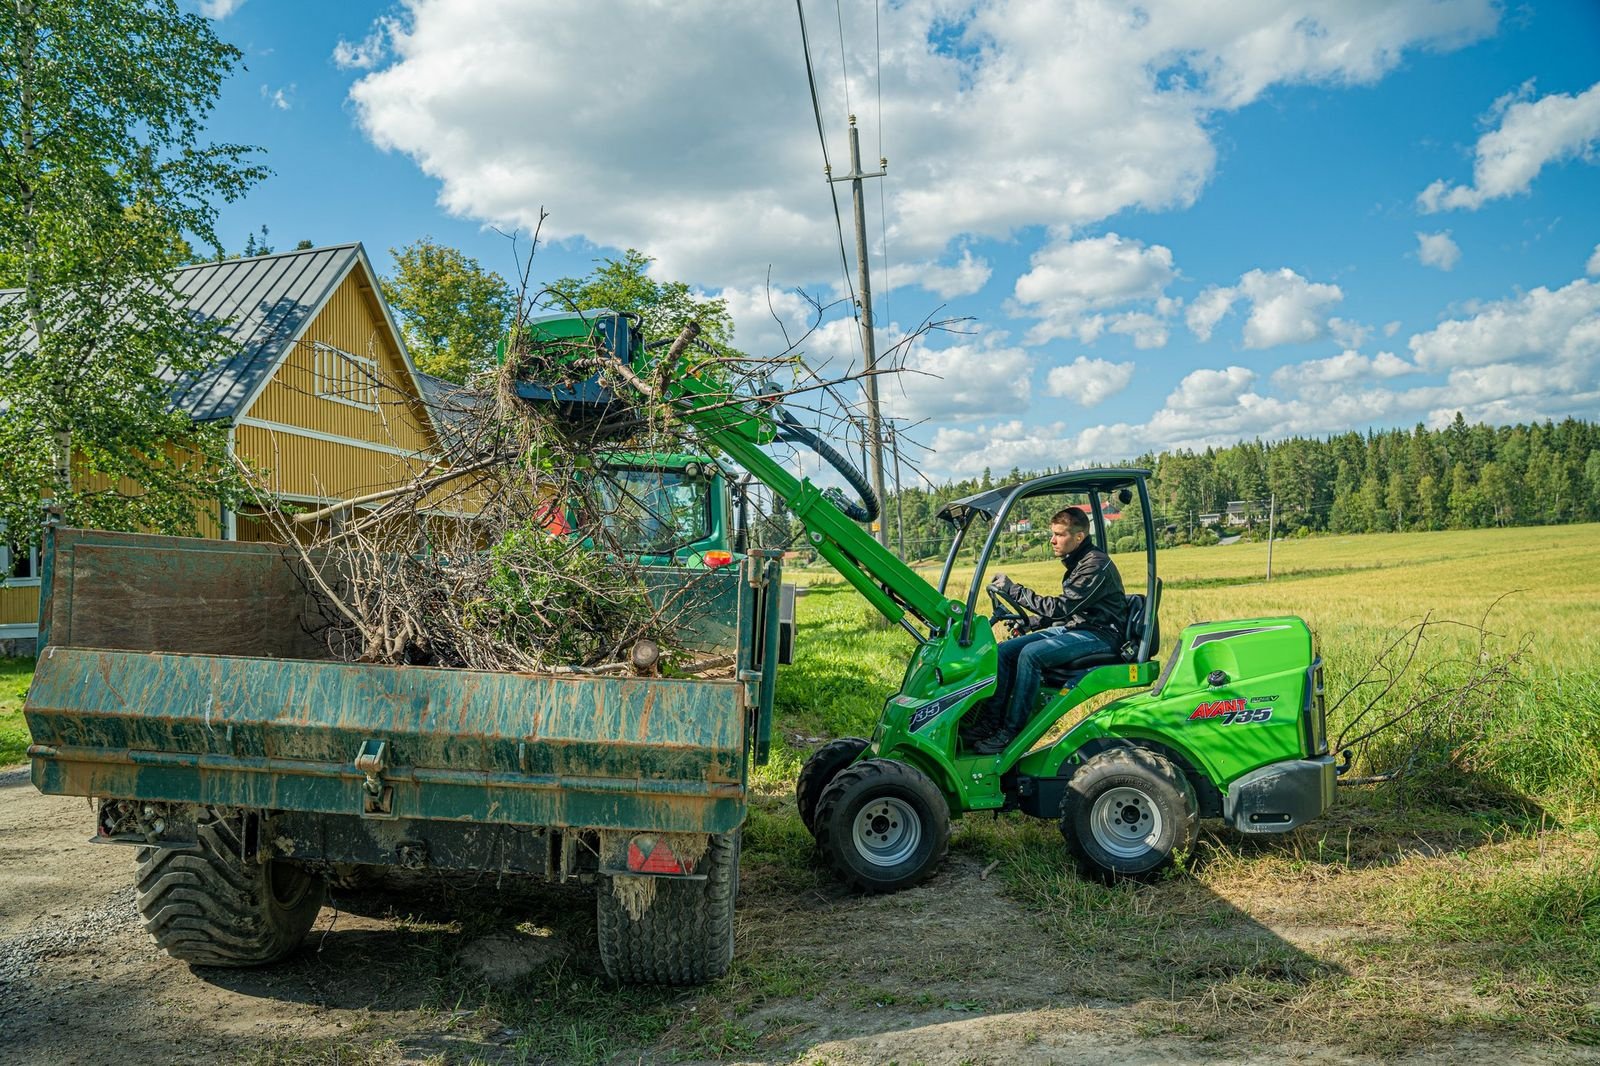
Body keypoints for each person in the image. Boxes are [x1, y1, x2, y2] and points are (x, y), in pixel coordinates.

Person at [969, 505, 1127, 754]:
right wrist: (1031, 622)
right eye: (1052, 534)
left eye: (1059, 534)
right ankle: (989, 723)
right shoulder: (1078, 562)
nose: (1053, 540)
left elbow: (1061, 608)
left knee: (1032, 655)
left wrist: (1015, 591)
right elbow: (1071, 611)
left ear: (1079, 537)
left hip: (1102, 634)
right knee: (1004, 651)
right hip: (1079, 627)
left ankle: (1011, 732)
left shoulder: (1095, 565)